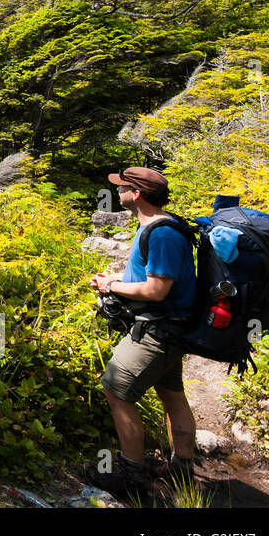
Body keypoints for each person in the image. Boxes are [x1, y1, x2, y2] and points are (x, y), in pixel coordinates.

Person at [87, 167, 198, 500]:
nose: (117, 192)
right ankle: (181, 472)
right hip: (171, 329)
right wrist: (116, 282)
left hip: (157, 332)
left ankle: (131, 474)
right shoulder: (154, 226)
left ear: (136, 194)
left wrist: (112, 285)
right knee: (172, 395)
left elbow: (156, 290)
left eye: (122, 187)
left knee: (116, 391)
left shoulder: (162, 233)